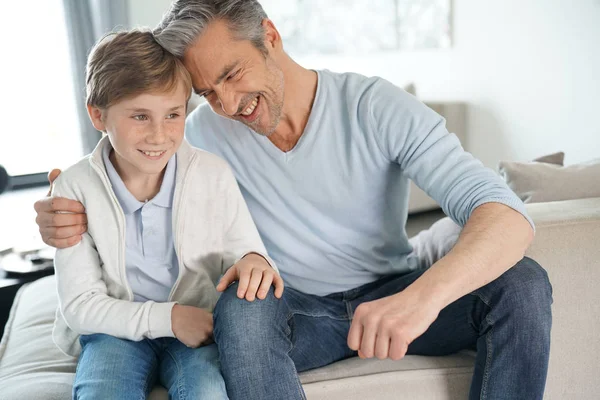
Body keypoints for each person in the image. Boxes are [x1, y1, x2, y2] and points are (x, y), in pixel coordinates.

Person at [35, 1, 553, 399]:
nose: (228, 105)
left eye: (233, 74)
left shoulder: (374, 107)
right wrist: (61, 197)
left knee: (522, 282)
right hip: (297, 313)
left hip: (393, 292)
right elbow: (130, 145)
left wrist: (420, 299)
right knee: (242, 303)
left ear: (270, 37)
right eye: (208, 91)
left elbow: (504, 213)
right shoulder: (203, 133)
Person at [48, 28, 282, 399]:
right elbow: (79, 306)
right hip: (114, 333)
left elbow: (245, 251)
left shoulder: (212, 173)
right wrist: (170, 318)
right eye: (140, 116)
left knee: (206, 391)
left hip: (195, 327)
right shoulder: (74, 188)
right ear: (98, 115)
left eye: (173, 114)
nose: (160, 135)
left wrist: (254, 261)